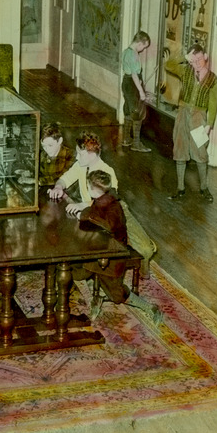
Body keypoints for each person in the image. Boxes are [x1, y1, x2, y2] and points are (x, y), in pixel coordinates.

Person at [48, 130, 158, 265]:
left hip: (113, 211)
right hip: (92, 212)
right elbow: (66, 178)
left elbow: (107, 201)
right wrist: (59, 186)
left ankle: (144, 257)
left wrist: (81, 205)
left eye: (80, 154)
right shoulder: (81, 165)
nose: (77, 157)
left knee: (145, 250)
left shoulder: (107, 171)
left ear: (92, 154)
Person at [75, 170, 162, 324]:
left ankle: (149, 307)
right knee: (75, 269)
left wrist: (88, 215)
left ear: (94, 190)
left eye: (88, 187)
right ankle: (95, 291)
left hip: (113, 256)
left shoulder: (112, 207)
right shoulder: (102, 200)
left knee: (116, 295)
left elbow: (109, 226)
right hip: (100, 250)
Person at [164, 42, 217, 203]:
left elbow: (213, 103)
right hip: (182, 113)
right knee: (180, 149)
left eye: (199, 60)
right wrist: (184, 56)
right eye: (192, 61)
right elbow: (169, 65)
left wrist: (209, 124)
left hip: (199, 117)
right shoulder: (186, 70)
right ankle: (180, 188)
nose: (195, 64)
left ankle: (204, 188)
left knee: (200, 152)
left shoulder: (212, 79)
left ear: (206, 57)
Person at [120, 31, 155, 152]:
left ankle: (126, 139)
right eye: (144, 47)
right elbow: (135, 74)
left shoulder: (126, 51)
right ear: (139, 43)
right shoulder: (134, 54)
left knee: (129, 109)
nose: (143, 50)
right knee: (138, 112)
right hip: (133, 85)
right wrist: (141, 91)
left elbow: (129, 71)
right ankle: (136, 143)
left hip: (126, 82)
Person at [38, 122, 74, 187]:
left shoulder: (71, 155)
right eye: (43, 146)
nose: (47, 149)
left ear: (60, 141)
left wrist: (37, 181)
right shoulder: (43, 154)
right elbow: (40, 172)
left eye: (50, 145)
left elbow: (61, 178)